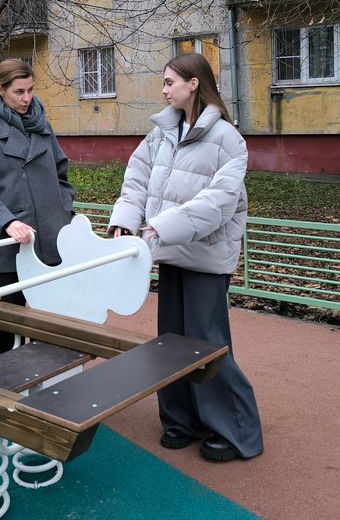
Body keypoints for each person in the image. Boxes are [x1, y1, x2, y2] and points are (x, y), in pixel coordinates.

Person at [108, 52, 263, 462]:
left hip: (206, 256)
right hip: (170, 250)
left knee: (208, 345)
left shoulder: (228, 138)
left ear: (194, 83)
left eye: (169, 82)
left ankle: (235, 431)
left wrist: (162, 226)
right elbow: (137, 177)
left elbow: (220, 201)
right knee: (171, 342)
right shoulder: (162, 131)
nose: (163, 90)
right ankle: (180, 420)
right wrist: (125, 221)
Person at [0, 58, 75, 354]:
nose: (27, 98)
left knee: (48, 323)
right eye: (19, 92)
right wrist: (7, 222)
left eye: (30, 90)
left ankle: (47, 388)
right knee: (8, 326)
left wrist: (64, 213)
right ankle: (9, 391)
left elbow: (62, 175)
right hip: (7, 247)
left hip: (50, 242)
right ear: (0, 89)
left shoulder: (43, 127)